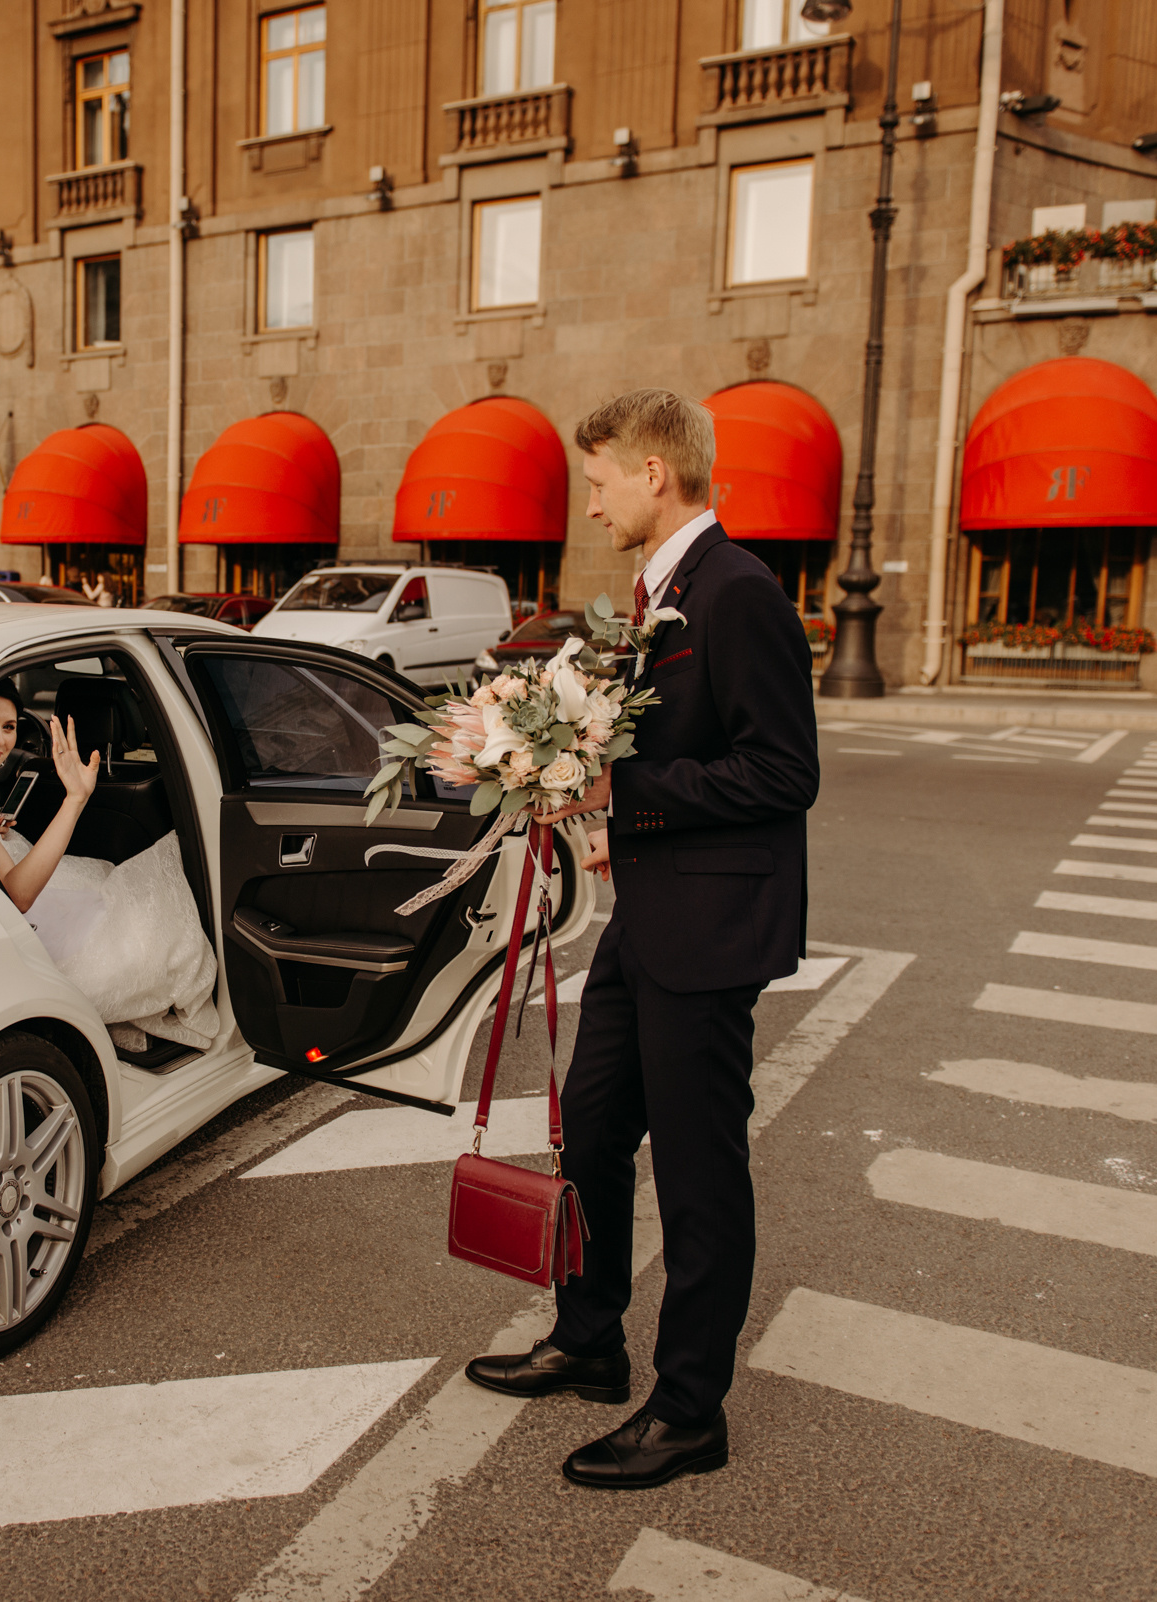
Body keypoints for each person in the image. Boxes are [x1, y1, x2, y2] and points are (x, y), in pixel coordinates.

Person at [464, 389, 818, 1491]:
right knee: (596, 1126)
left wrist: (627, 792)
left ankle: (689, 1409)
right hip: (648, 921)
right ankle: (589, 1337)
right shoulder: (658, 592)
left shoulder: (738, 592)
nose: (593, 497)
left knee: (702, 1176)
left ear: (657, 473)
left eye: (604, 476)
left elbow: (783, 769)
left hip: (709, 933)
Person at [0, 682, 219, 1051]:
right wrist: (75, 799)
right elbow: (19, 894)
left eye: (9, 727)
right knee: (153, 926)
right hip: (21, 928)